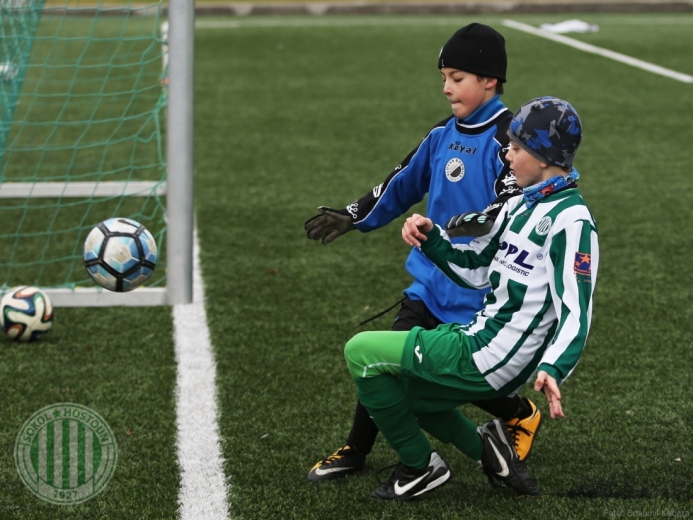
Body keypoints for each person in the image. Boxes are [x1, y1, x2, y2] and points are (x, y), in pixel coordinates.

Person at [305, 23, 542, 482]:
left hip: (478, 292)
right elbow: (400, 183)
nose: (446, 87)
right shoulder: (442, 135)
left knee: (460, 376)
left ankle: (518, 412)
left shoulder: (509, 142)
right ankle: (356, 449)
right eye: (444, 77)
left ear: (489, 79)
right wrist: (353, 215)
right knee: (385, 358)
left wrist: (459, 228)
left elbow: (513, 207)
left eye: (457, 76)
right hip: (430, 284)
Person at [344, 96, 598, 500]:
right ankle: (490, 452)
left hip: (492, 353)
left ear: (544, 157)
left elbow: (576, 308)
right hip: (479, 337)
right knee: (400, 393)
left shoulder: (572, 221)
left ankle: (420, 467)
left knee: (360, 351)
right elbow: (478, 269)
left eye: (517, 148)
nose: (509, 156)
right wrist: (432, 239)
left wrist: (554, 365)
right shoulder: (521, 203)